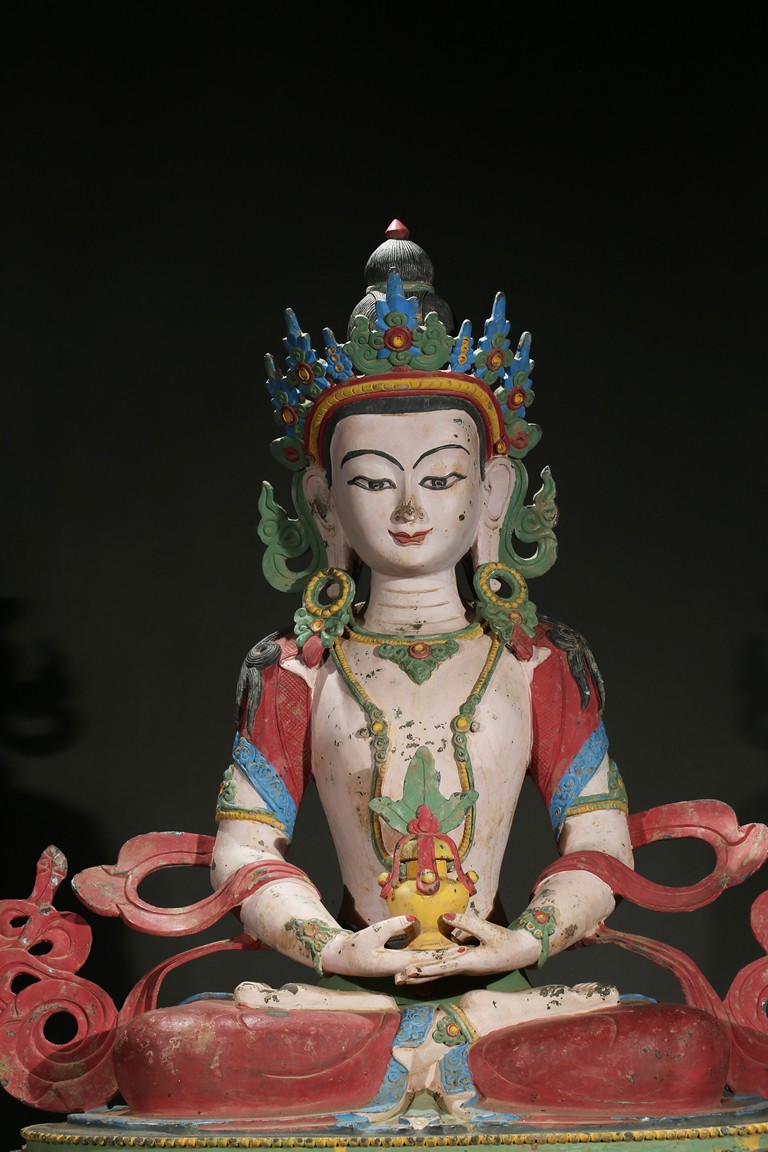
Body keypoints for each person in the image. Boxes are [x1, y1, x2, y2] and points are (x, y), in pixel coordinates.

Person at [207, 221, 641, 1119]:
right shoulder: (298, 671)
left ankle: (461, 1032)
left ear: (492, 495)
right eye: (372, 481)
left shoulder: (536, 662)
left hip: (504, 996)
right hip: (348, 1001)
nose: (408, 508)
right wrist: (333, 948)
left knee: (667, 1044)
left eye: (440, 479)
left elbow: (600, 841)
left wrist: (522, 942)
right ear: (324, 504)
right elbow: (244, 849)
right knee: (175, 1049)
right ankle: (413, 1039)